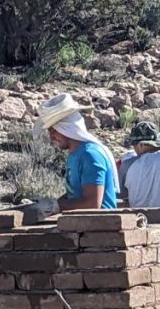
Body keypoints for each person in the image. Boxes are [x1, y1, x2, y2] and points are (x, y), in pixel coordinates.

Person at [25, 93, 119, 221]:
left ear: (66, 128)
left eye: (53, 130)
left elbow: (92, 204)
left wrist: (56, 206)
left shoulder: (90, 155)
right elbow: (74, 194)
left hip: (100, 228)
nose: (51, 137)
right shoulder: (75, 155)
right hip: (80, 226)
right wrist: (50, 204)